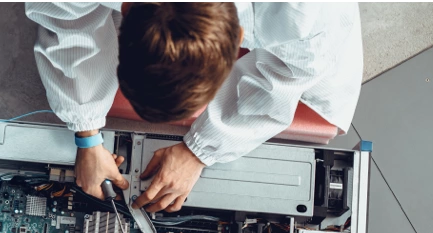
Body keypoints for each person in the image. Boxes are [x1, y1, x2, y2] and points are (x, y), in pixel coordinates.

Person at [26, 2, 362, 212]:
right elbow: (66, 21)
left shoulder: (306, 11)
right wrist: (86, 131)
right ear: (125, 11)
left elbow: (291, 73)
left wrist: (201, 150)